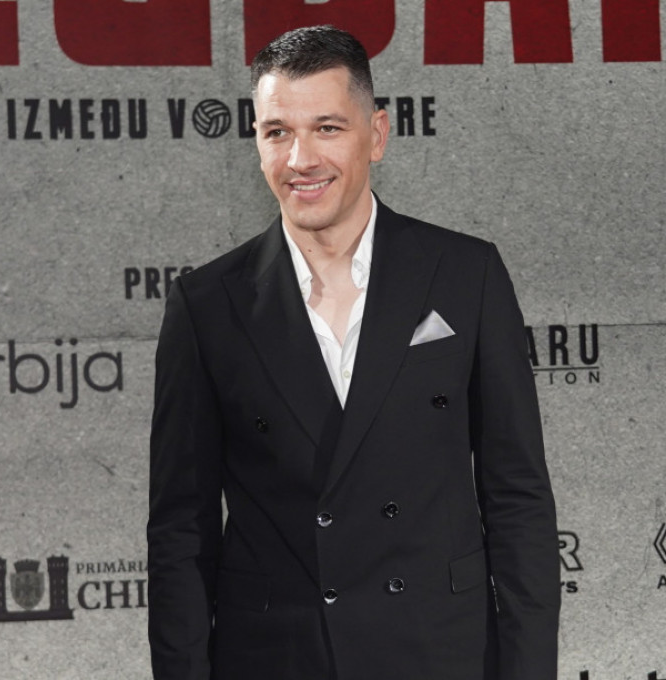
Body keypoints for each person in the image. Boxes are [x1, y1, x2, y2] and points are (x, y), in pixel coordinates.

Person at [147, 25, 560, 680]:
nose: (300, 159)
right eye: (277, 132)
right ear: (256, 142)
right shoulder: (207, 305)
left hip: (439, 654)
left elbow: (518, 500)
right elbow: (180, 534)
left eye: (328, 128)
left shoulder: (465, 275)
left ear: (377, 134)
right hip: (278, 659)